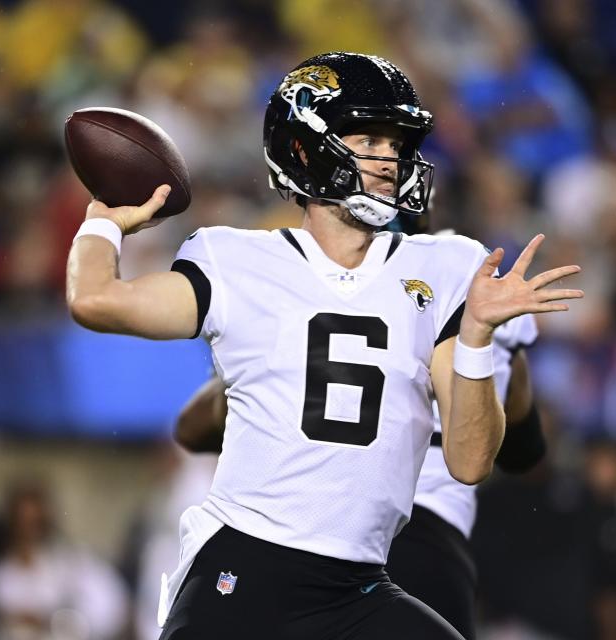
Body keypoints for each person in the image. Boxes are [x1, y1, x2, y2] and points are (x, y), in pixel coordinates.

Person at [66, 52, 582, 639]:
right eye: (369, 138)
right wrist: (104, 221)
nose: (390, 158)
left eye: (396, 143)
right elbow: (95, 300)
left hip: (358, 585)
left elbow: (468, 462)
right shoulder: (236, 259)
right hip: (245, 570)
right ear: (306, 150)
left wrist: (476, 339)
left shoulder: (444, 265)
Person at [174, 211, 547, 640]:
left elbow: (190, 430)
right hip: (426, 549)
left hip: (311, 542)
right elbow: (526, 450)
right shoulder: (475, 286)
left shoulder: (302, 296)